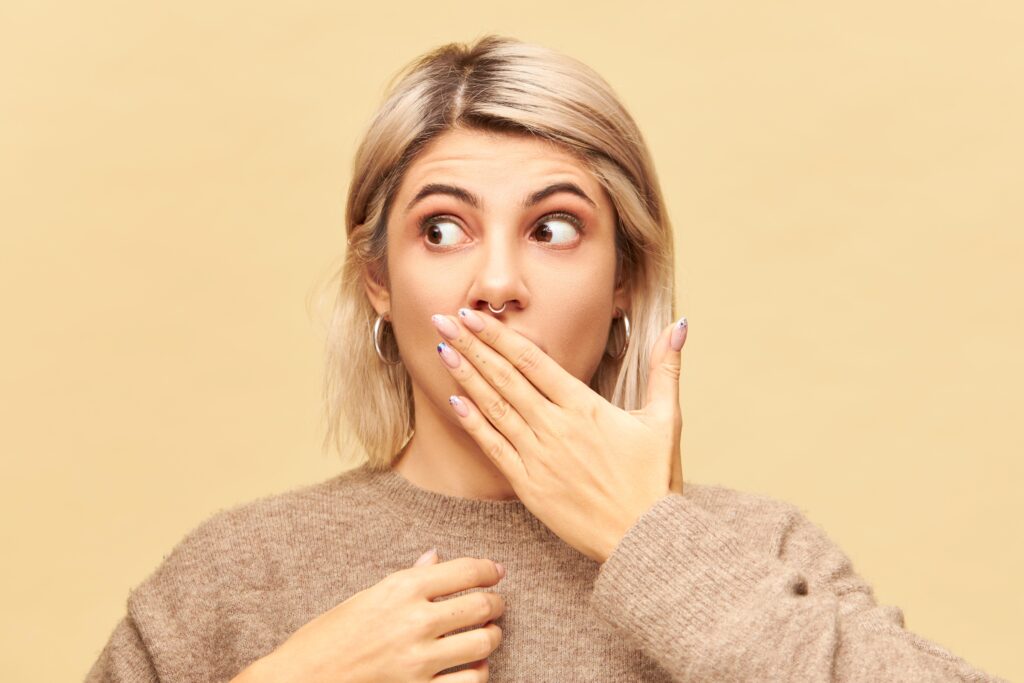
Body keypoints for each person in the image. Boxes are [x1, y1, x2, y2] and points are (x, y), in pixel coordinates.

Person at [85, 34, 1006, 682]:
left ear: (624, 280)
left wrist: (652, 544)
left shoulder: (757, 551)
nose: (495, 281)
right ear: (377, 280)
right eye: (441, 228)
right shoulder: (235, 572)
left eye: (553, 227)